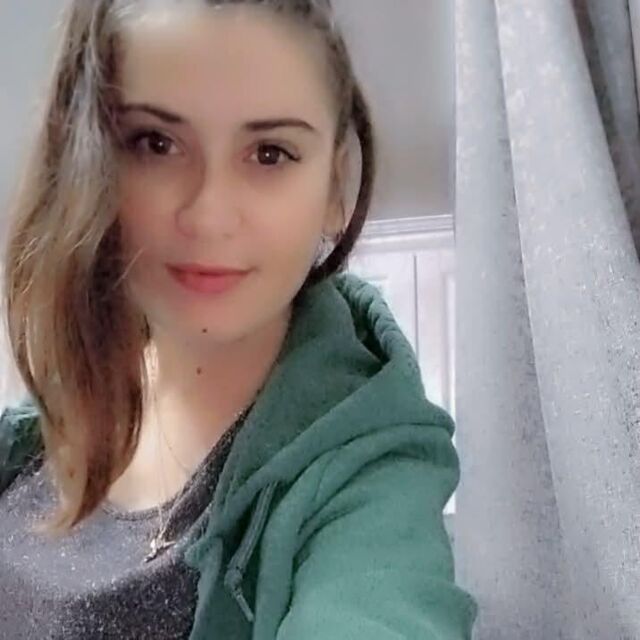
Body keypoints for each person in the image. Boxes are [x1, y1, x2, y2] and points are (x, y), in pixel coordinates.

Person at [0, 0, 478, 638]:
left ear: (335, 186)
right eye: (156, 144)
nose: (210, 215)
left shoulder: (370, 482)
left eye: (270, 154)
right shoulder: (46, 417)